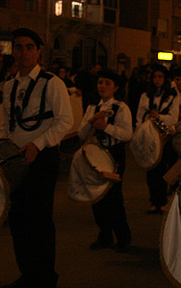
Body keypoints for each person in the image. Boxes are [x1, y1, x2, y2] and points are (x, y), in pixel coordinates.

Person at [0, 28, 73, 288]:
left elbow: (65, 121)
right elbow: (6, 124)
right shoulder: (10, 85)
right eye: (18, 47)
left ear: (39, 51)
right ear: (13, 51)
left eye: (29, 47)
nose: (24, 52)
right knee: (19, 220)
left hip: (42, 158)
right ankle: (28, 274)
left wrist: (37, 145)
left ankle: (44, 277)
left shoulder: (51, 82)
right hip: (16, 160)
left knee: (39, 220)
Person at [78, 69, 133, 252]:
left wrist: (106, 127)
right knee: (96, 196)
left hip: (114, 154)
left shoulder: (121, 108)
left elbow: (127, 134)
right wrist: (90, 122)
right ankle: (105, 235)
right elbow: (81, 133)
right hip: (95, 155)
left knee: (113, 197)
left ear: (115, 87)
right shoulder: (92, 107)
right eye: (100, 82)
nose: (102, 86)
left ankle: (123, 236)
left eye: (107, 83)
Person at [135, 64, 179, 214]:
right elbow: (139, 116)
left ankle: (162, 201)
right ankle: (153, 201)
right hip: (149, 137)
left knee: (162, 170)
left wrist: (159, 117)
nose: (157, 80)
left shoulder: (172, 96)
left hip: (164, 137)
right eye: (155, 77)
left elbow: (173, 118)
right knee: (150, 170)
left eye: (160, 77)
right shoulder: (145, 96)